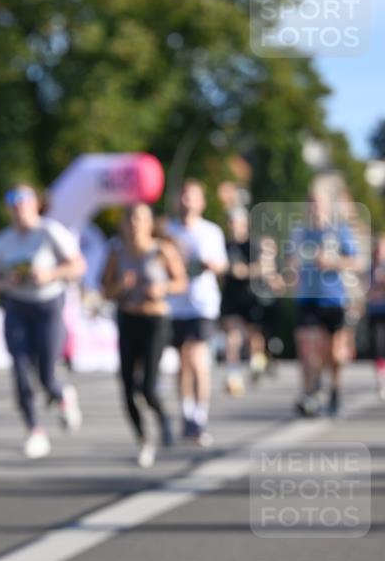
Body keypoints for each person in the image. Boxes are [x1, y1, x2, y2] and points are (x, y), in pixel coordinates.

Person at [0, 184, 85, 458]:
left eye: (24, 204)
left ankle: (62, 394)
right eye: (14, 206)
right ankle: (35, 431)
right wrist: (6, 280)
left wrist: (50, 274)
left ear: (35, 205)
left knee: (46, 376)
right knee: (19, 370)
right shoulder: (2, 241)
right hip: (16, 307)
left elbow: (78, 266)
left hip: (47, 306)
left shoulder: (49, 232)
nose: (19, 211)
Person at [102, 203, 187, 467]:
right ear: (124, 224)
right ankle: (142, 438)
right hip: (128, 318)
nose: (135, 224)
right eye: (130, 219)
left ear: (149, 223)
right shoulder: (117, 252)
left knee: (148, 386)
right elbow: (105, 290)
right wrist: (121, 286)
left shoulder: (162, 250)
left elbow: (181, 282)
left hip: (155, 320)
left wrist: (162, 288)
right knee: (127, 386)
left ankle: (163, 418)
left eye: (140, 219)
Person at [166, 180, 227, 443]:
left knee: (197, 358)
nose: (186, 201)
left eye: (192, 196)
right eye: (183, 195)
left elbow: (222, 265)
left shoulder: (211, 232)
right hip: (175, 304)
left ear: (201, 202)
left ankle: (199, 418)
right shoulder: (168, 231)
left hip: (203, 304)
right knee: (182, 363)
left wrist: (210, 264)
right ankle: (186, 415)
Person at [290, 191, 360, 417]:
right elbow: (290, 261)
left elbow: (356, 262)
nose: (315, 208)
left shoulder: (340, 232)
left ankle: (335, 390)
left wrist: (333, 262)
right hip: (307, 298)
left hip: (333, 298)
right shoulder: (300, 233)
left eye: (319, 204)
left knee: (334, 353)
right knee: (306, 346)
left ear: (328, 207)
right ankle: (309, 393)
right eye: (311, 203)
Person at [220, 208, 282, 396]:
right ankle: (233, 377)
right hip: (232, 298)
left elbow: (266, 267)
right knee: (233, 337)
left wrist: (246, 271)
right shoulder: (224, 245)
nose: (233, 226)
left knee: (254, 338)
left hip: (253, 298)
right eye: (230, 222)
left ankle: (258, 363)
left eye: (236, 222)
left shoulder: (254, 244)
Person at [366, 233, 385, 400]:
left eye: (384, 250)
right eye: (378, 249)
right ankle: (383, 381)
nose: (380, 253)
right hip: (376, 313)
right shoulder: (369, 269)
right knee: (379, 347)